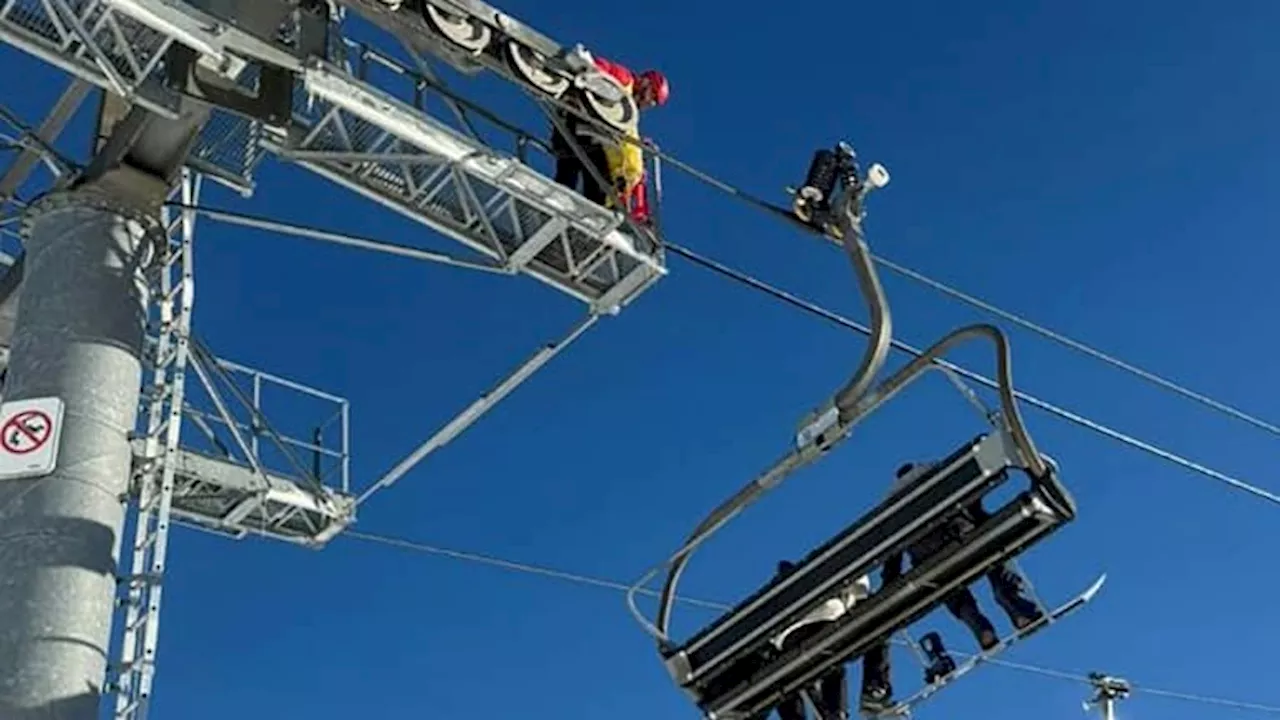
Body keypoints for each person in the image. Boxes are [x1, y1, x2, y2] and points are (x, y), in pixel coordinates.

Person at [858, 461, 1045, 713]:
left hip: (928, 558)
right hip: (961, 534)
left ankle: (979, 626)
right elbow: (972, 502)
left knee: (947, 587)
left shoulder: (891, 508)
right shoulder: (936, 474)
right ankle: (1016, 607)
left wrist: (889, 586)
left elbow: (892, 556)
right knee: (995, 559)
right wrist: (988, 522)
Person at [550, 46, 670, 225]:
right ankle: (583, 215)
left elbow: (627, 140)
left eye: (653, 102)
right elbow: (601, 69)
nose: (649, 103)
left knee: (585, 175)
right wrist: (587, 63)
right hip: (578, 127)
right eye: (651, 97)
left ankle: (582, 216)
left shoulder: (626, 112)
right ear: (645, 83)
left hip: (580, 132)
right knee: (587, 174)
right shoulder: (625, 81)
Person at [738, 560, 870, 720]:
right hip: (823, 621)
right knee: (831, 666)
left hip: (789, 637)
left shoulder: (778, 596)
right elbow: (860, 590)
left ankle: (828, 713)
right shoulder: (819, 578)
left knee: (793, 679)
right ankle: (834, 713)